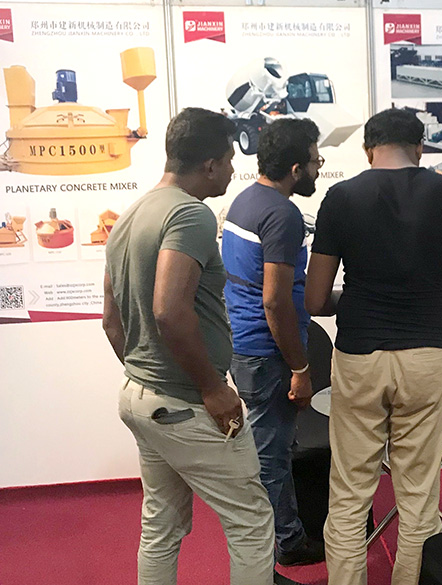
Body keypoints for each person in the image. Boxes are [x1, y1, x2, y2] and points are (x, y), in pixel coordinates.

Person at [305, 107, 442, 585]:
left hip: (358, 356)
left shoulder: (340, 197)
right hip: (425, 356)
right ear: (420, 148)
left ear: (368, 149)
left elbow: (313, 299)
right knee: (418, 495)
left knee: (349, 494)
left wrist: (358, 297)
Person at [102, 107, 275, 585]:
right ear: (210, 165)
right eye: (229, 160)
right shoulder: (189, 213)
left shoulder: (131, 214)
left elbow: (111, 321)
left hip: (140, 397)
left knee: (161, 525)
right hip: (187, 406)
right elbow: (168, 310)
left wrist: (147, 374)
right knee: (251, 523)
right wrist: (211, 388)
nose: (234, 170)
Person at [221, 118, 325, 566]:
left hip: (248, 347)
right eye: (316, 161)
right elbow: (275, 300)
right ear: (296, 169)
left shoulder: (246, 200)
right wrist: (301, 369)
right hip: (268, 353)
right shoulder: (282, 214)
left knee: (268, 451)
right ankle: (286, 544)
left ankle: (276, 539)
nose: (319, 168)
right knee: (271, 457)